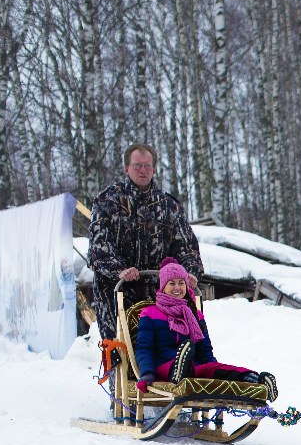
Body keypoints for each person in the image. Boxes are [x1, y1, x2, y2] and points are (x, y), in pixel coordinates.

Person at [87, 142, 203, 340]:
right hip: (117, 295)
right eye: (137, 166)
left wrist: (189, 272)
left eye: (147, 166)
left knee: (166, 348)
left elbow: (187, 248)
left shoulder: (169, 206)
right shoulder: (107, 201)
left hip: (160, 294)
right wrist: (119, 270)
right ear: (126, 168)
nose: (143, 170)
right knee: (123, 353)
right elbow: (99, 248)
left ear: (154, 169)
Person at [134, 260, 277, 401]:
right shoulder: (150, 313)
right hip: (162, 366)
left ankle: (257, 380)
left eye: (181, 283)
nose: (177, 287)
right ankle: (179, 371)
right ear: (163, 286)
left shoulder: (194, 314)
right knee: (178, 366)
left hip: (193, 367)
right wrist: (147, 373)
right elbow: (144, 348)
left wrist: (214, 369)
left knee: (215, 369)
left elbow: (205, 349)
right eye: (172, 283)